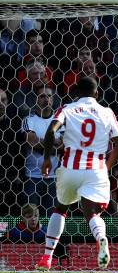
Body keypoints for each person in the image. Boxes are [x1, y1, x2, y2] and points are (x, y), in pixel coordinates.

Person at [36, 77, 118, 271]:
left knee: (60, 209)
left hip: (69, 168)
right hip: (96, 169)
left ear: (76, 92)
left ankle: (46, 258)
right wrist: (107, 166)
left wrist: (47, 159)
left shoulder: (67, 108)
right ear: (97, 94)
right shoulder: (107, 112)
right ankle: (101, 238)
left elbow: (51, 132)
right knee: (92, 213)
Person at [22, 86, 62, 215]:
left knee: (51, 218)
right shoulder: (29, 120)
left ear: (53, 99)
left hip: (54, 177)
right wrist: (53, 142)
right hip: (32, 177)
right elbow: (31, 141)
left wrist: (41, 142)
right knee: (30, 217)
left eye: (49, 96)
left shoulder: (59, 120)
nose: (46, 99)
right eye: (42, 96)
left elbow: (63, 145)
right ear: (36, 100)